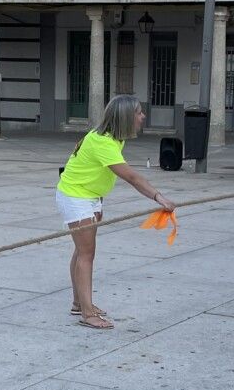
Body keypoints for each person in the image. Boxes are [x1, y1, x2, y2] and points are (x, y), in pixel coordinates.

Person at [57, 94, 174, 330]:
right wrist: (158, 197)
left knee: (82, 251)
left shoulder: (111, 138)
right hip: (76, 196)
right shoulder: (104, 143)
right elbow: (132, 177)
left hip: (88, 196)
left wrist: (97, 199)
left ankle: (79, 302)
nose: (143, 116)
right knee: (86, 254)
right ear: (125, 117)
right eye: (139, 112)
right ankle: (88, 314)